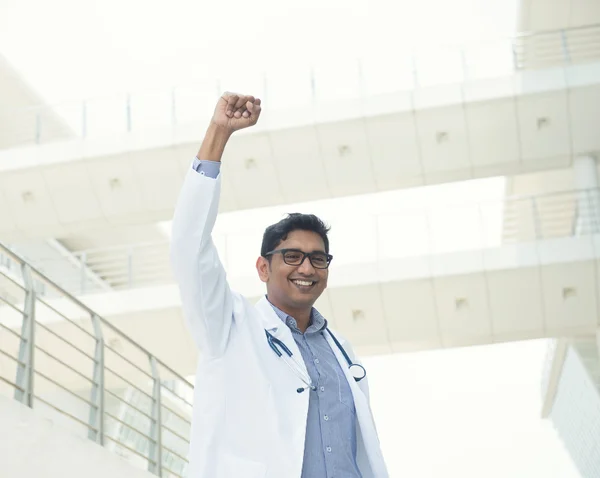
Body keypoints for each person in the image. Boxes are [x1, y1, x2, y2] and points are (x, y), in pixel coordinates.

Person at [171, 92, 389, 478]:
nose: (306, 267)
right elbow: (189, 244)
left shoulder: (341, 350)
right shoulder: (228, 326)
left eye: (317, 258)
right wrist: (219, 134)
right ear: (262, 267)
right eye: (291, 256)